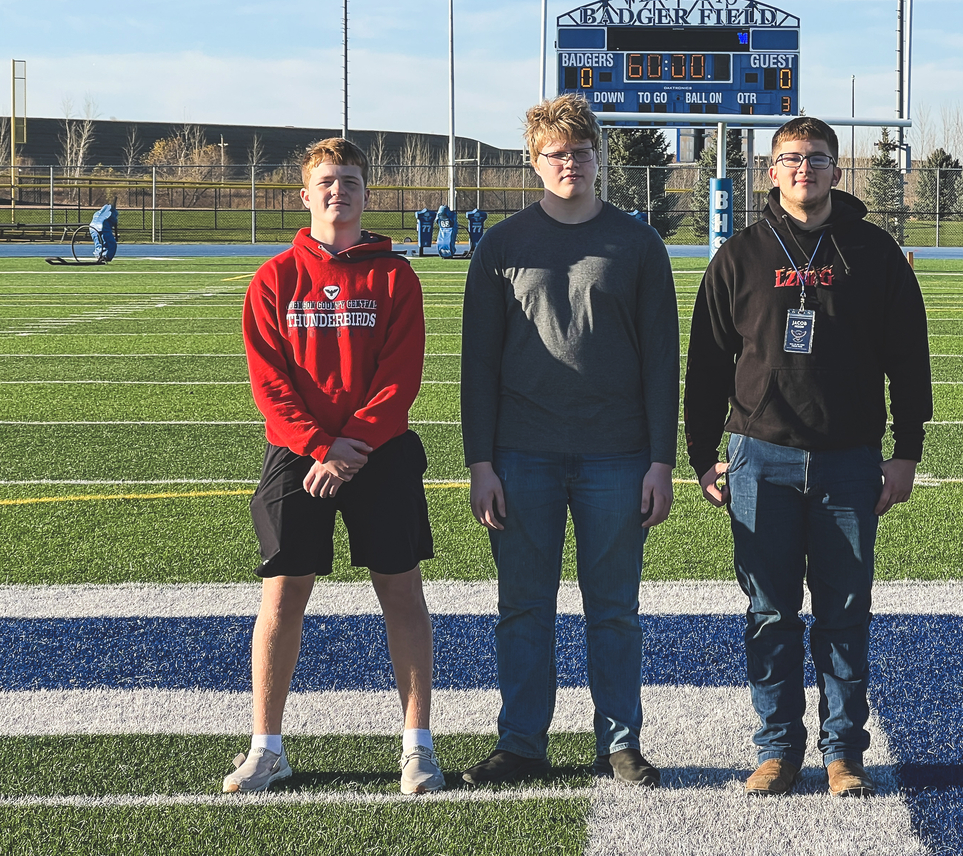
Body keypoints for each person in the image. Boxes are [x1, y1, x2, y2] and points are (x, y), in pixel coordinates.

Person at [684, 115, 932, 798]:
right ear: (771, 170)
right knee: (769, 613)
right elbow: (706, 363)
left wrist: (906, 450)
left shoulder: (875, 253)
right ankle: (776, 749)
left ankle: (843, 752)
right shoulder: (737, 255)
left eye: (817, 159)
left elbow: (909, 358)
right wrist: (701, 453)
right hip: (759, 457)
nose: (804, 170)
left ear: (836, 171)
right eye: (791, 158)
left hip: (850, 459)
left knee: (845, 614)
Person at [460, 94, 679, 789]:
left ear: (597, 157)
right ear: (535, 162)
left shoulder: (637, 243)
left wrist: (661, 460)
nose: (569, 164)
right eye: (555, 154)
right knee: (523, 606)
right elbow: (478, 363)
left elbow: (661, 359)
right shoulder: (502, 245)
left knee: (613, 610)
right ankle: (522, 742)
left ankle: (620, 742)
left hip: (616, 456)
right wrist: (480, 462)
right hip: (522, 454)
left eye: (579, 152)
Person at [226, 138, 442, 795]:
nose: (337, 191)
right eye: (325, 181)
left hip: (380, 454)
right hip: (300, 454)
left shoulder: (395, 277)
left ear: (365, 193)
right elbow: (270, 382)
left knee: (401, 592)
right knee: (282, 597)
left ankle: (418, 746)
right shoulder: (274, 278)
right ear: (305, 194)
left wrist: (352, 445)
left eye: (349, 180)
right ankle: (267, 747)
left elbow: (399, 378)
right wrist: (321, 446)